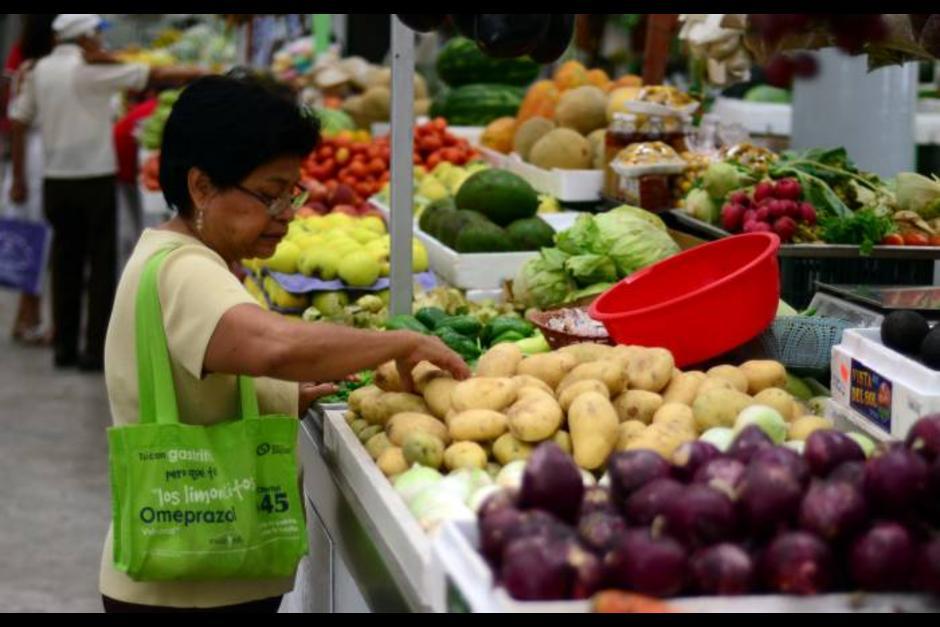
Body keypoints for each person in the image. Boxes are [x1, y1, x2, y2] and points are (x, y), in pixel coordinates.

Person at [98, 73, 469, 613]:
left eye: (291, 194)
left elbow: (200, 382)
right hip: (187, 589)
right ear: (202, 187)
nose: (288, 214)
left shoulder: (178, 255)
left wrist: (276, 399)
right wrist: (398, 344)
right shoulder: (185, 271)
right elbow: (273, 345)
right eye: (270, 196)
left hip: (198, 577)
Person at [8, 14, 205, 371]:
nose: (101, 42)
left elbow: (20, 119)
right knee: (100, 266)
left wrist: (19, 176)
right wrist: (200, 73)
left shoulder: (39, 71)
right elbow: (154, 75)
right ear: (84, 38)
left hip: (55, 180)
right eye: (97, 36)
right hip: (94, 179)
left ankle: (63, 348)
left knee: (65, 263)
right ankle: (92, 351)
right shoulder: (93, 71)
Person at [2, 14, 56, 345]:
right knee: (36, 245)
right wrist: (19, 178)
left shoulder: (29, 68)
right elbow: (18, 126)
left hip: (34, 164)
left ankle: (27, 318)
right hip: (34, 166)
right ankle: (28, 320)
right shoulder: (33, 72)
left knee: (35, 246)